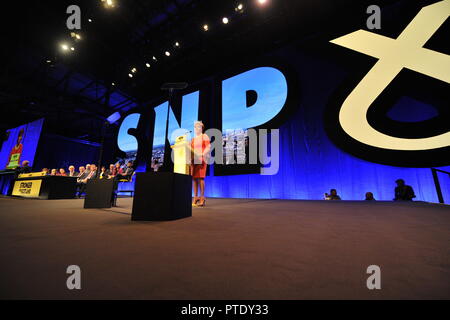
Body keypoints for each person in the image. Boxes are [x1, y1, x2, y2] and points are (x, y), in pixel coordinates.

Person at [190, 121, 210, 207]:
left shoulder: (204, 136)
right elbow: (190, 150)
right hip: (194, 160)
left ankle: (202, 197)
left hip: (202, 159)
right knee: (194, 179)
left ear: (201, 128)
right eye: (195, 127)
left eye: (198, 127)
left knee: (201, 178)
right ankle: (195, 197)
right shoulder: (193, 139)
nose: (196, 128)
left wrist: (203, 154)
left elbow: (208, 147)